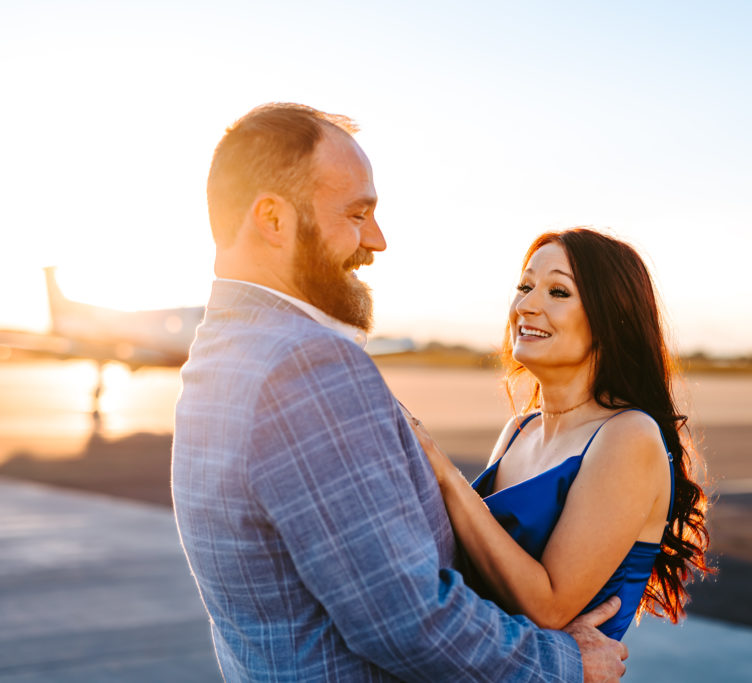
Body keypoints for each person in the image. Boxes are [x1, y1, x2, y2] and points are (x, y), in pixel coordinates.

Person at [171, 103, 628, 682]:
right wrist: (564, 665)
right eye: (358, 213)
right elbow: (406, 620)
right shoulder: (306, 364)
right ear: (273, 219)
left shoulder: (220, 354)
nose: (377, 240)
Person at [406, 228, 711, 641]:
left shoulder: (628, 435)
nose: (527, 305)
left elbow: (548, 608)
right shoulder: (519, 430)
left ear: (611, 318)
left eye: (558, 292)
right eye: (525, 286)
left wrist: (444, 474)